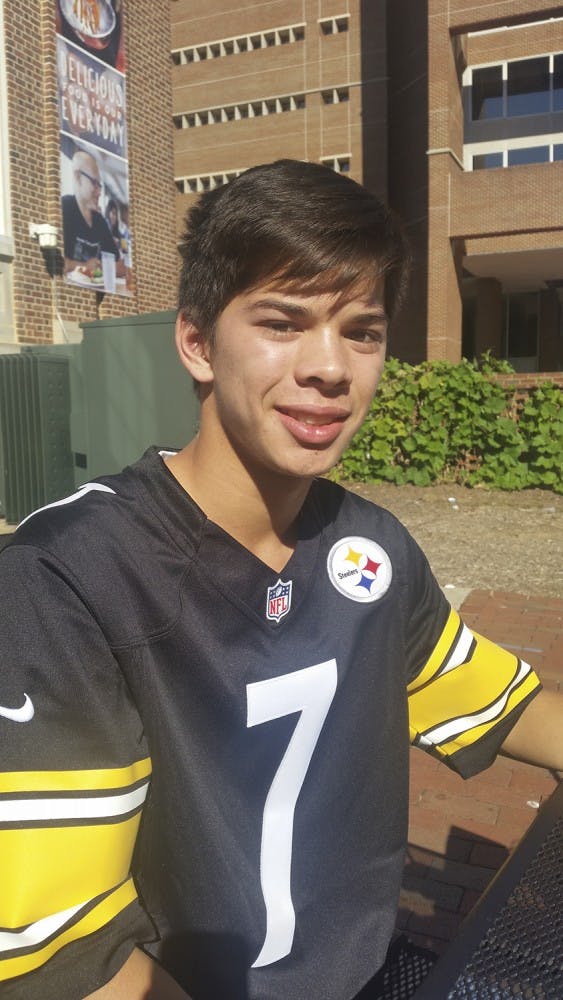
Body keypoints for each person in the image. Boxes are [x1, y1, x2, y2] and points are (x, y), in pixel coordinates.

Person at [1, 160, 561, 1000]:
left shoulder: (370, 547)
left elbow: (494, 699)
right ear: (196, 343)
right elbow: (57, 950)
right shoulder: (65, 576)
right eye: (282, 321)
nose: (330, 367)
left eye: (361, 331)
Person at [62, 150, 124, 278]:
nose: (99, 192)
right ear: (78, 177)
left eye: (99, 185)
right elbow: (57, 262)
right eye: (94, 183)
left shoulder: (99, 221)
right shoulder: (64, 208)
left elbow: (119, 264)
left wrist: (101, 267)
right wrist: (85, 266)